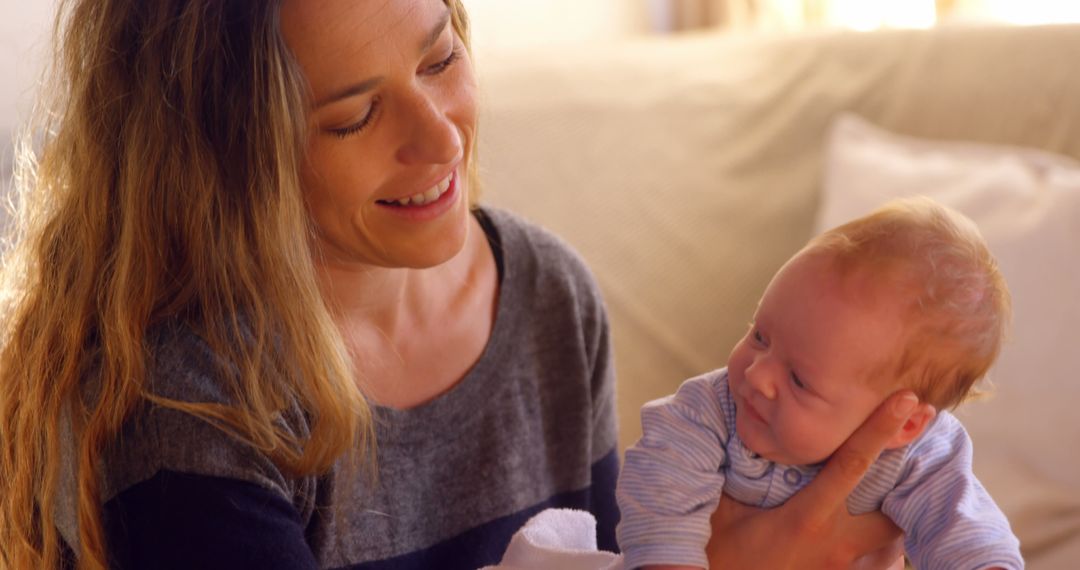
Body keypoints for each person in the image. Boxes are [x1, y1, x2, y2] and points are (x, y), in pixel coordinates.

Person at [0, 1, 913, 569]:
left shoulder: (551, 297)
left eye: (439, 60)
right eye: (356, 115)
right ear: (227, 167)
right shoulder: (188, 408)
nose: (440, 140)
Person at [617, 197, 1024, 570]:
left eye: (798, 380)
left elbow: (968, 531)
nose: (757, 375)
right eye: (760, 335)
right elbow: (659, 506)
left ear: (904, 425)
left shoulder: (925, 457)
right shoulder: (706, 412)